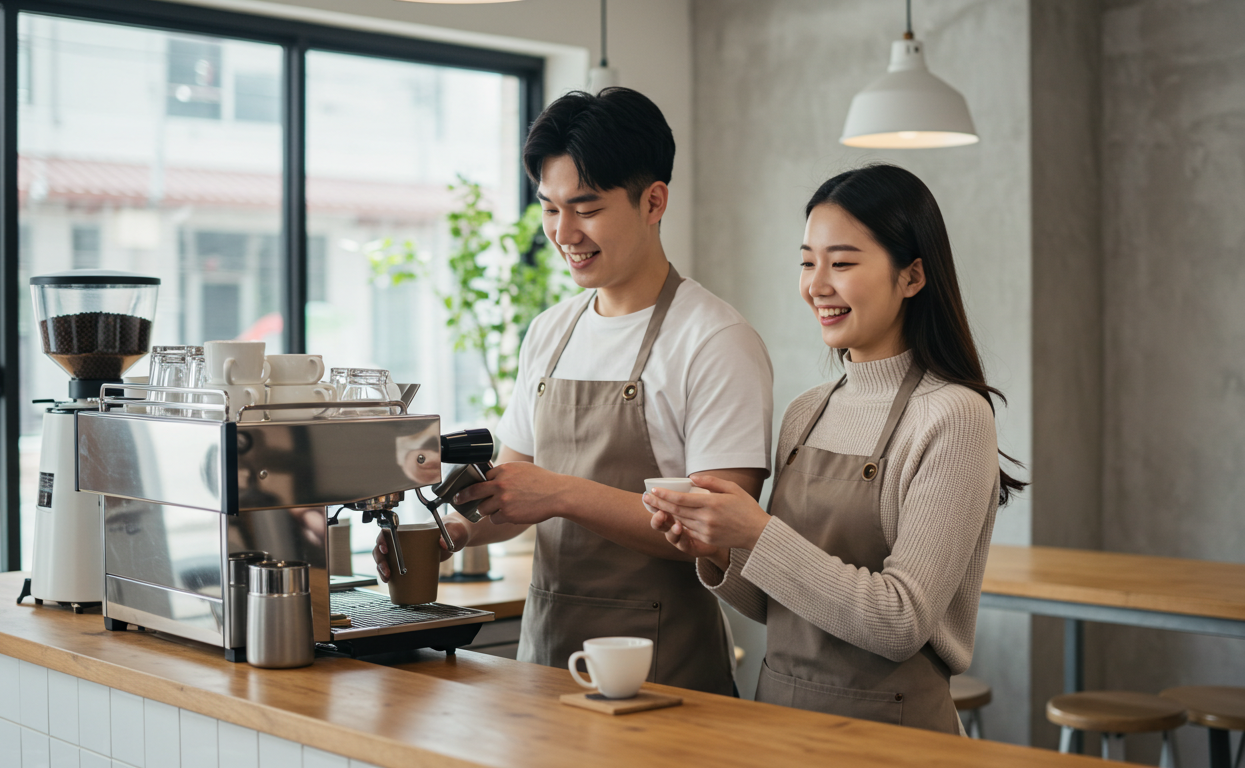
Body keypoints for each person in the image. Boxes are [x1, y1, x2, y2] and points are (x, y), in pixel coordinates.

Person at [375, 88, 773, 697]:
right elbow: (514, 487)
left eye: (585, 208)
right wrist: (456, 533)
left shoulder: (716, 340)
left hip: (665, 679)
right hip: (548, 663)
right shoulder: (551, 331)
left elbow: (715, 533)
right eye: (549, 208)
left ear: (653, 201)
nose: (564, 233)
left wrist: (561, 493)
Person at [643, 164, 1026, 730]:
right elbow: (781, 605)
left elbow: (900, 621)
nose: (816, 285)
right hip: (780, 722)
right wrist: (719, 549)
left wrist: (755, 532)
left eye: (842, 263)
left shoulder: (954, 416)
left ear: (912, 276)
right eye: (807, 261)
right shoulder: (806, 411)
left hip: (892, 736)